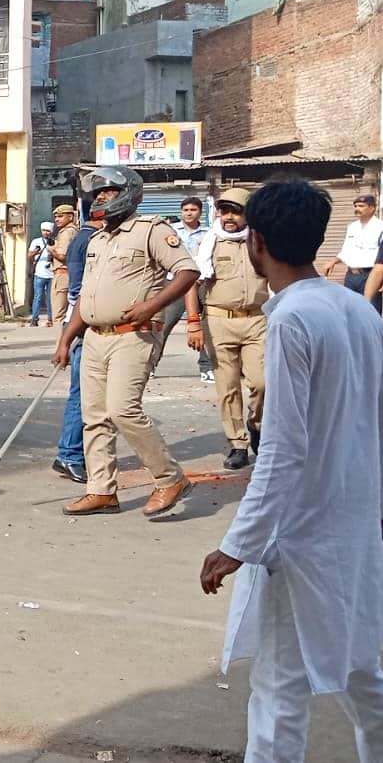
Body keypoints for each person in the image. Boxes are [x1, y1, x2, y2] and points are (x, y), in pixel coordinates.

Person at [200, 179, 383, 762]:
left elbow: (282, 449)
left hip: (300, 531)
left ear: (256, 242)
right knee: (360, 667)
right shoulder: (356, 309)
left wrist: (238, 543)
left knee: (279, 688)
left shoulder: (291, 319)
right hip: (351, 522)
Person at [53, 165, 199, 517]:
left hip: (132, 336)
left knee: (122, 409)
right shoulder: (97, 239)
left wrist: (152, 305)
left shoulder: (151, 230)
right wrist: (66, 339)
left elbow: (188, 271)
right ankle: (101, 491)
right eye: (98, 193)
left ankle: (169, 478)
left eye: (109, 191)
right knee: (95, 417)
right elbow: (87, 296)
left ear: (129, 193)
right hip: (94, 338)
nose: (101, 197)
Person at [186, 188, 266, 470]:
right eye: (224, 210)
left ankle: (256, 425)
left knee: (261, 383)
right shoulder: (208, 244)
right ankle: (238, 444)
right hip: (219, 322)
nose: (229, 217)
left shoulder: (260, 241)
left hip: (257, 320)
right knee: (228, 387)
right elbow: (190, 284)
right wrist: (193, 323)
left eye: (236, 210)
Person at [50, 208, 99, 484]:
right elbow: (80, 291)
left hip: (85, 323)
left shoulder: (86, 237)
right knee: (81, 394)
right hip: (84, 324)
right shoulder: (87, 240)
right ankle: (70, 455)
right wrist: (67, 339)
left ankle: (77, 454)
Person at [156, 196, 215, 383]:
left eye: (193, 210)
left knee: (204, 325)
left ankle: (206, 367)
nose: (189, 213)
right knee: (164, 325)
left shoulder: (208, 234)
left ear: (200, 212)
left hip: (201, 284)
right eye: (185, 210)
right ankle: (151, 364)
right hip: (175, 284)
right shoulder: (172, 232)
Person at [323, 193, 382, 312]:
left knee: (370, 311)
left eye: (361, 206)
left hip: (370, 276)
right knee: (351, 311)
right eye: (355, 206)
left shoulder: (380, 227)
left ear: (372, 208)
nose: (357, 209)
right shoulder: (352, 227)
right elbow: (346, 251)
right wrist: (333, 261)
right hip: (351, 276)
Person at [49, 202, 77, 325]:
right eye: (56, 217)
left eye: (60, 216)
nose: (57, 219)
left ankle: (61, 343)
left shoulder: (66, 232)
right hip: (68, 274)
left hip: (62, 274)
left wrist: (51, 250)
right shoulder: (73, 231)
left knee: (59, 316)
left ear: (70, 217)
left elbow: (62, 256)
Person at [28, 221, 54, 326]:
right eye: (44, 230)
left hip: (52, 273)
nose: (46, 233)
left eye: (48, 231)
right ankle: (34, 319)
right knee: (37, 297)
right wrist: (36, 252)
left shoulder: (54, 242)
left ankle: (51, 319)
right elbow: (29, 255)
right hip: (39, 273)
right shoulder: (36, 241)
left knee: (50, 298)